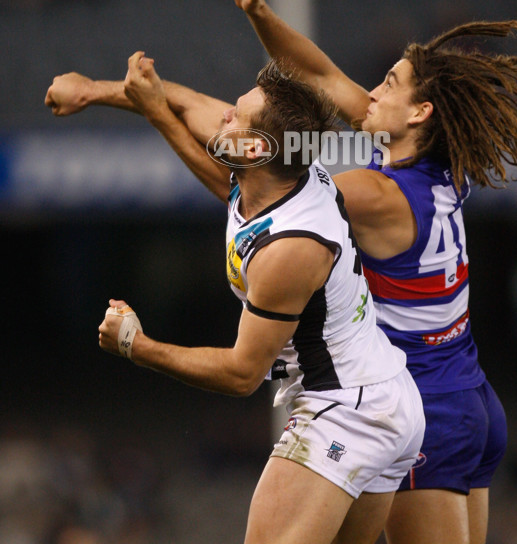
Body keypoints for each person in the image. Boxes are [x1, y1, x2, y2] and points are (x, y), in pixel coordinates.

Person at [46, 0, 517, 544]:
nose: (368, 92)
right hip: (466, 394)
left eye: (388, 86)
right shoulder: (429, 160)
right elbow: (315, 77)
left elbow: (251, 183)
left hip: (419, 399)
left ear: (419, 113)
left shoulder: (377, 193)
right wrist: (256, 11)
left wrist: (148, 109)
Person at [76, 53, 426, 544]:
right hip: (380, 397)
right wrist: (96, 91)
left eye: (236, 115)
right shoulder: (277, 175)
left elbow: (242, 373)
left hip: (346, 410)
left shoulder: (290, 249)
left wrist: (138, 345)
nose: (223, 115)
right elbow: (185, 106)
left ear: (257, 147)